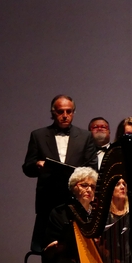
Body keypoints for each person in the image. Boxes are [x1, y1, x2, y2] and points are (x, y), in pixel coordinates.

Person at [23, 95, 98, 254]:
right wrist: (38, 165)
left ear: (73, 112)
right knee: (49, 249)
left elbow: (92, 167)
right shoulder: (38, 135)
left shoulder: (85, 136)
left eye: (69, 111)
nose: (65, 115)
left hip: (76, 200)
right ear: (53, 113)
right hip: (48, 200)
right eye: (60, 111)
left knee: (78, 249)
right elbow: (27, 168)